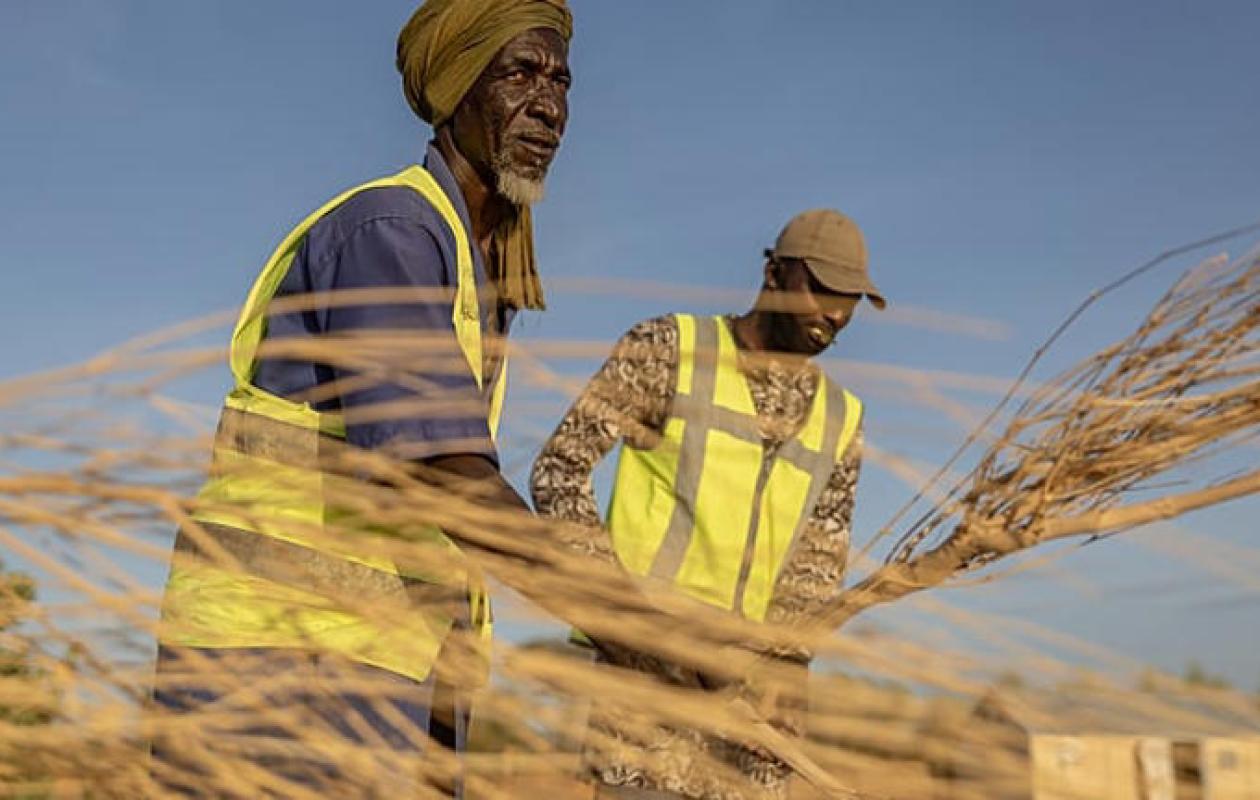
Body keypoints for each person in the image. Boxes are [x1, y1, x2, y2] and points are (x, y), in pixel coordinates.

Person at [152, 1, 573, 796]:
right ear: (457, 87)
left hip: (381, 665)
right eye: (521, 74)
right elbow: (445, 477)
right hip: (279, 665)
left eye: (560, 82)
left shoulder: (473, 270)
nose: (548, 105)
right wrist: (633, 626)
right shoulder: (390, 231)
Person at [531, 209, 885, 799]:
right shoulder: (668, 349)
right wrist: (630, 624)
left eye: (850, 299)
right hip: (646, 693)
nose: (837, 314)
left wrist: (791, 665)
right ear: (773, 273)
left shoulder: (843, 418)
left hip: (752, 716)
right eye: (822, 289)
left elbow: (818, 563)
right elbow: (558, 473)